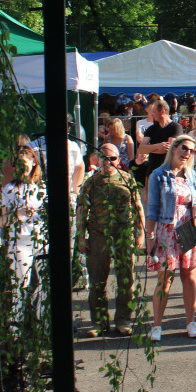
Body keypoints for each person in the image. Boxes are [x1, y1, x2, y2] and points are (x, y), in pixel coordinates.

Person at [76, 143, 145, 337]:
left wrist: (141, 233)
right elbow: (82, 210)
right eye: (104, 158)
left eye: (112, 158)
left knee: (126, 278)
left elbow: (137, 206)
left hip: (123, 233)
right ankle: (99, 322)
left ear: (118, 159)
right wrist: (81, 237)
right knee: (98, 280)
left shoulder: (127, 179)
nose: (108, 162)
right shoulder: (91, 182)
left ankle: (123, 319)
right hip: (98, 235)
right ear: (97, 160)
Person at [146, 135, 196, 341]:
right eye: (184, 148)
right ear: (173, 148)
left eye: (190, 150)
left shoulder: (191, 174)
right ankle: (156, 325)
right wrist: (149, 235)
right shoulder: (158, 175)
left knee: (189, 276)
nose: (187, 153)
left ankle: (191, 321)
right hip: (166, 228)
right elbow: (152, 207)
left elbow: (195, 197)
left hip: (189, 227)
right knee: (165, 279)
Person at [0, 145, 47, 288]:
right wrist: (17, 213)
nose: (22, 169)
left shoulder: (41, 188)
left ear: (33, 163)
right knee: (20, 284)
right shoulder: (10, 189)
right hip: (20, 241)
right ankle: (19, 309)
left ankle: (39, 311)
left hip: (40, 240)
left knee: (43, 285)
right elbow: (1, 221)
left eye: (25, 164)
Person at [138, 100, 181, 204]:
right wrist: (157, 146)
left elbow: (167, 149)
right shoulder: (151, 129)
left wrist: (150, 148)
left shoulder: (176, 127)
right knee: (152, 207)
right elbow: (141, 149)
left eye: (153, 111)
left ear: (162, 111)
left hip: (168, 173)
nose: (151, 114)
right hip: (151, 173)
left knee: (168, 205)